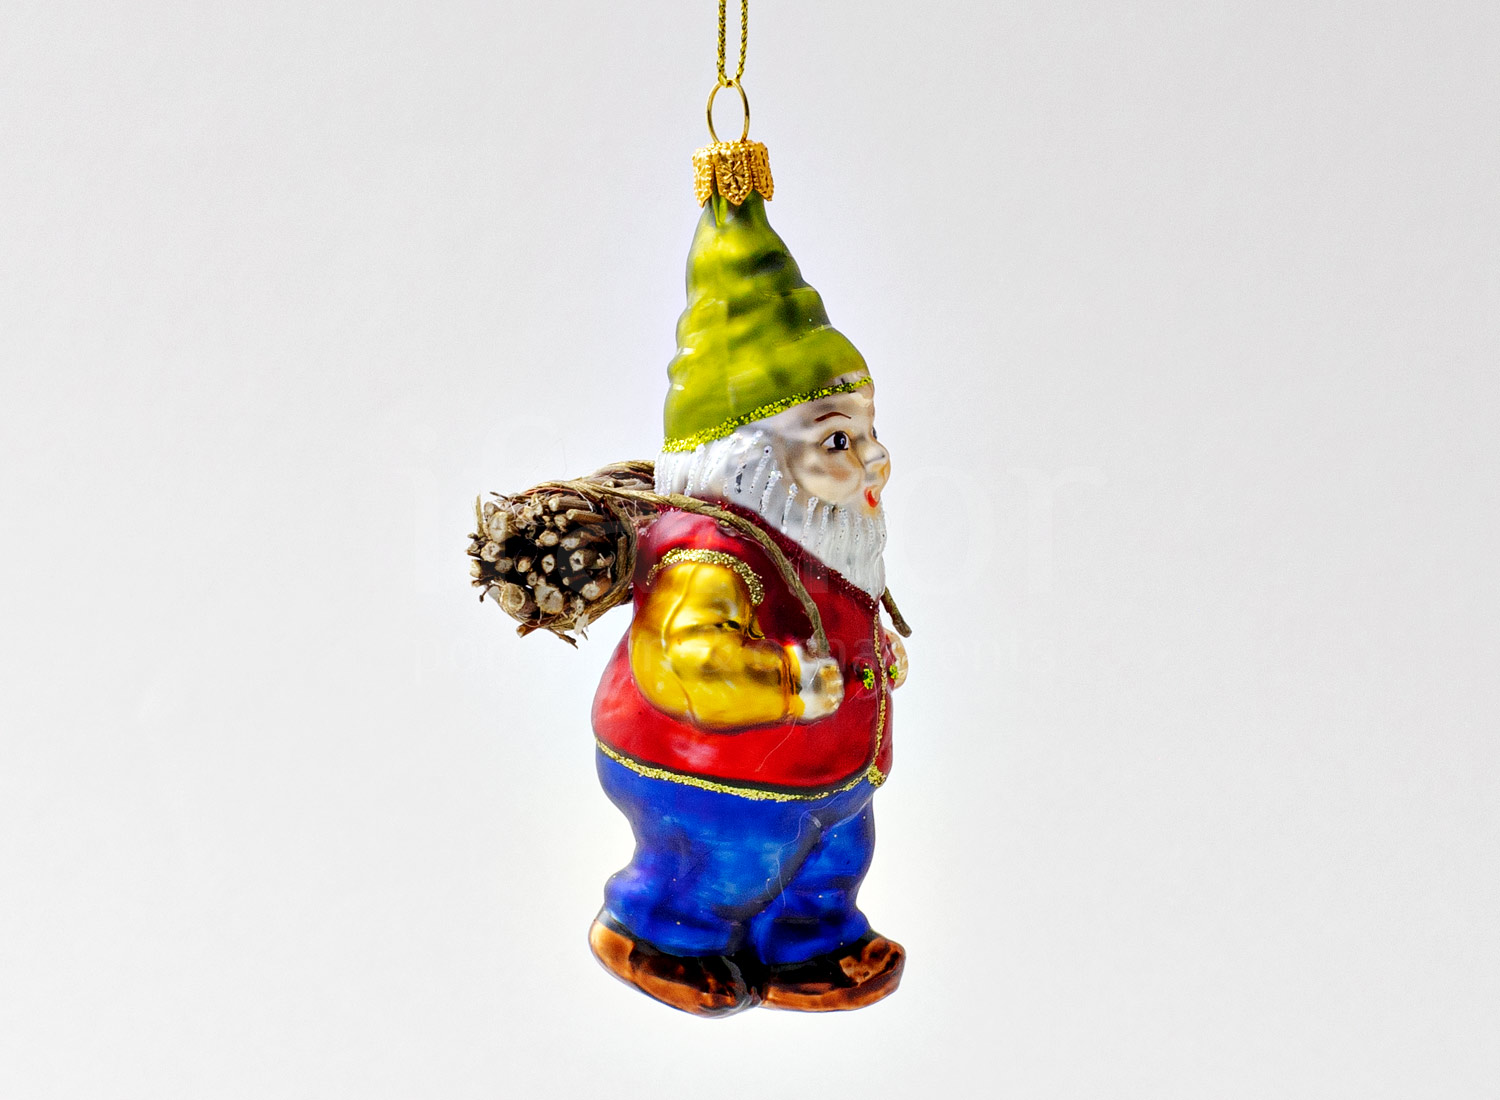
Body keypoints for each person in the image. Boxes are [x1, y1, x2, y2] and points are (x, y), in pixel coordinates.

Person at [588, 191, 909, 1015]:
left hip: (826, 766)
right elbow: (688, 658)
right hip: (708, 775)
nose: (873, 460)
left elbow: (845, 608)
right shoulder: (707, 551)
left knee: (834, 856)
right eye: (838, 438)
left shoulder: (828, 533)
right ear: (750, 459)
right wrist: (786, 684)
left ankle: (809, 940)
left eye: (867, 431)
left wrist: (878, 653)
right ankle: (655, 932)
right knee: (724, 868)